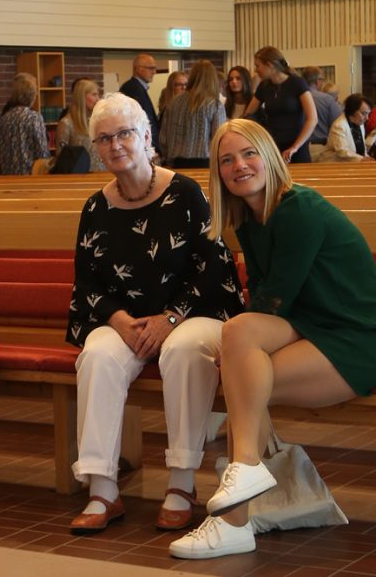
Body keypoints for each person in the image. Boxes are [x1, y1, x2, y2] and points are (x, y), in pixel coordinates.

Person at [169, 119, 376, 559]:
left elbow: (276, 296)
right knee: (239, 342)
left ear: (270, 157)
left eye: (249, 153)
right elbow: (263, 297)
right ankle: (242, 491)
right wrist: (238, 355)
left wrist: (236, 359)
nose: (239, 165)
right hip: (310, 326)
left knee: (243, 375)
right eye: (227, 160)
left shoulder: (299, 208)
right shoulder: (249, 221)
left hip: (358, 336)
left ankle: (236, 511)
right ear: (218, 173)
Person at [66, 93, 244, 535]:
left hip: (194, 312)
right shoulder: (96, 206)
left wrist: (172, 317)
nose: (115, 145)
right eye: (104, 138)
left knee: (183, 350)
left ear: (147, 137)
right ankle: (102, 489)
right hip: (127, 320)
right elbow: (87, 281)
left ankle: (182, 482)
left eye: (125, 133)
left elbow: (214, 265)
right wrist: (119, 320)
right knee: (97, 355)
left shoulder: (185, 193)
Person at [245, 46, 317, 163]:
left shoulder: (297, 83)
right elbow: (249, 113)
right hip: (273, 146)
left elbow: (312, 119)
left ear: (269, 65)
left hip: (297, 147)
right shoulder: (264, 86)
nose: (256, 70)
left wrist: (295, 147)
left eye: (258, 66)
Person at [159, 60, 227, 168]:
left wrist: (167, 158)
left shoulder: (173, 102)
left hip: (177, 162)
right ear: (213, 79)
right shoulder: (214, 105)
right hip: (205, 162)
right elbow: (220, 138)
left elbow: (163, 138)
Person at [0, 73, 50, 175]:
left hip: (8, 175)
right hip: (30, 175)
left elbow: (2, 152)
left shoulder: (5, 118)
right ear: (31, 95)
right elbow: (42, 152)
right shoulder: (34, 118)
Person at [56, 79, 104, 172]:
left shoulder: (97, 121)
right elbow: (61, 157)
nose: (98, 99)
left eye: (98, 95)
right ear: (82, 97)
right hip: (79, 176)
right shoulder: (66, 124)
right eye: (94, 94)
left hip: (102, 173)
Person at [120, 53, 161, 153]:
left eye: (154, 68)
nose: (154, 72)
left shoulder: (137, 87)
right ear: (138, 69)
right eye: (151, 68)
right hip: (141, 147)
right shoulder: (133, 88)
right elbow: (143, 121)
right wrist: (153, 148)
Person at [317, 94, 375, 162]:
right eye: (364, 113)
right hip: (335, 165)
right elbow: (342, 151)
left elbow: (362, 148)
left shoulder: (360, 124)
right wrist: (362, 159)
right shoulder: (339, 125)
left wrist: (367, 157)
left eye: (368, 114)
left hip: (353, 164)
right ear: (352, 111)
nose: (367, 118)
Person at [300, 66, 343, 158]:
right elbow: (338, 125)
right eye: (322, 79)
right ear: (317, 81)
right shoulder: (327, 100)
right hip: (322, 148)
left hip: (299, 147)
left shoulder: (294, 98)